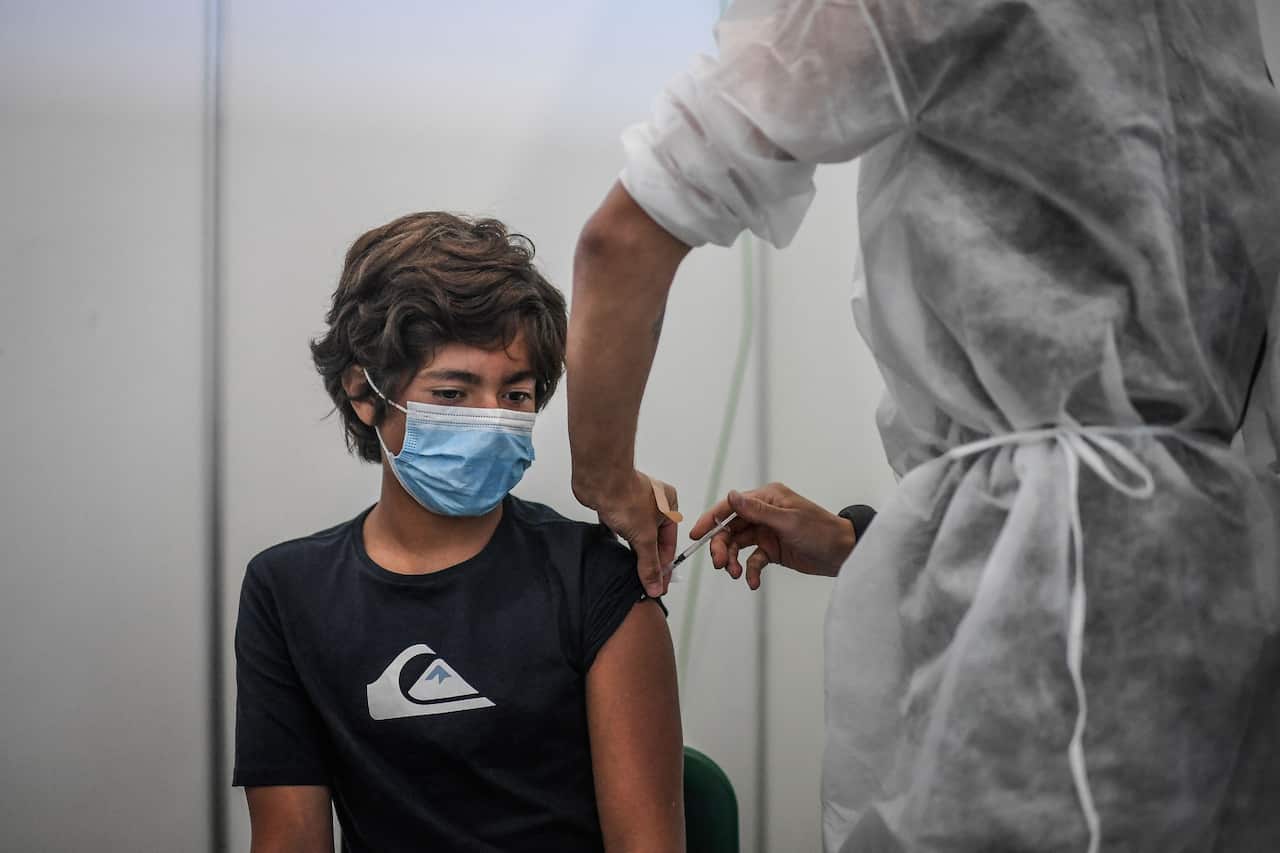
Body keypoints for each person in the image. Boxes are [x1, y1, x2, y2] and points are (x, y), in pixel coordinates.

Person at [566, 1, 1280, 851]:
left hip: (1070, 613)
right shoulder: (1222, 27)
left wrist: (604, 477)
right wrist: (856, 542)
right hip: (1225, 585)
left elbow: (625, 236)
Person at [233, 212, 684, 853]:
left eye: (517, 395)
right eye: (451, 393)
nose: (491, 419)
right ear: (364, 394)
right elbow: (289, 839)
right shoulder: (288, 590)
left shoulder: (597, 576)